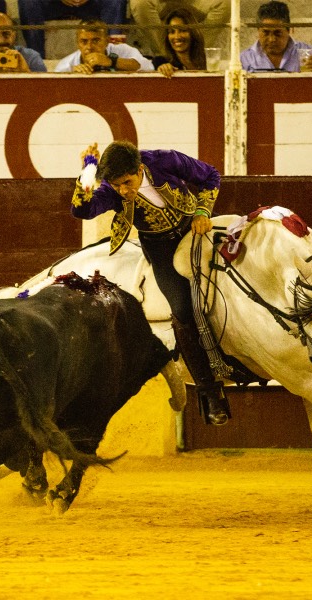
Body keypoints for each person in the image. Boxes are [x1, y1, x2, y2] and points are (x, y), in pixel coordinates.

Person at [71, 140, 231, 426]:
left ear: (139, 168)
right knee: (182, 310)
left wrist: (203, 212)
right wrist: (88, 170)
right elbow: (82, 211)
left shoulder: (164, 160)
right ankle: (209, 394)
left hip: (195, 227)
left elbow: (210, 176)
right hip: (161, 249)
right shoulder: (111, 189)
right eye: (116, 185)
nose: (123, 191)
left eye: (127, 182)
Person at [18, 0, 128, 59]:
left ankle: (112, 58)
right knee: (28, 2)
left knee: (115, 1)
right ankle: (37, 60)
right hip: (53, 4)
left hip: (91, 4)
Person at [240, 1, 312, 73]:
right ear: (258, 31)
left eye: (278, 33)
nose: (271, 39)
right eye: (266, 33)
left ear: (289, 30)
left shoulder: (308, 53)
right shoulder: (245, 59)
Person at [129, 0, 230, 56]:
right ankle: (165, 55)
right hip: (161, 2)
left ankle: (194, 54)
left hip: (192, 2)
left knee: (226, 3)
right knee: (139, 2)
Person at [54, 20, 155, 73]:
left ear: (107, 41)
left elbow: (148, 67)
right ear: (77, 43)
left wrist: (111, 61)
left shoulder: (123, 50)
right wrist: (72, 77)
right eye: (84, 41)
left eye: (96, 41)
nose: (89, 46)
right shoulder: (66, 66)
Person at [152, 6, 207, 77]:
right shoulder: (161, 61)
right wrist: (162, 68)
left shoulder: (206, 61)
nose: (177, 36)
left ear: (193, 32)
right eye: (172, 32)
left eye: (183, 30)